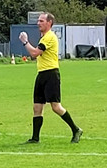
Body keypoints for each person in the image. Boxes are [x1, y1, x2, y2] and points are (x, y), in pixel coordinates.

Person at [18, 12, 83, 144]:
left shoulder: (49, 37)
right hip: (41, 73)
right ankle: (35, 138)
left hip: (51, 74)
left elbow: (35, 53)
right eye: (38, 21)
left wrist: (25, 42)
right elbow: (35, 54)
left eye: (41, 21)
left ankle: (76, 129)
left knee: (56, 107)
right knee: (37, 107)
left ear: (49, 23)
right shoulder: (43, 38)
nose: (38, 23)